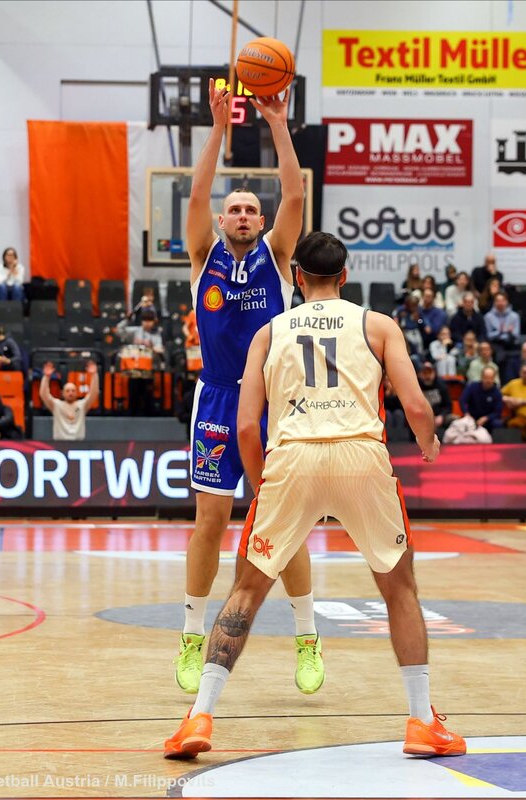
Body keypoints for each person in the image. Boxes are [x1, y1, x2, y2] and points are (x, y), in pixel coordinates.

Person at [164, 232, 465, 760]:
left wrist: (262, 483)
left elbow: (246, 427)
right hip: (360, 456)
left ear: (297, 277)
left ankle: (199, 716)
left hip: (293, 457)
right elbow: (417, 407)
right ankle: (422, 722)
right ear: (345, 276)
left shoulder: (269, 332)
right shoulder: (378, 325)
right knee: (400, 589)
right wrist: (428, 443)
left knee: (246, 590)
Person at [177, 80, 322, 696]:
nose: (240, 215)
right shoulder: (202, 256)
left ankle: (307, 637)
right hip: (216, 397)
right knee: (211, 520)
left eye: (249, 210)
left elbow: (295, 192)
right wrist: (218, 127)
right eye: (232, 209)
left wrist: (277, 123)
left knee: (283, 523)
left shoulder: (278, 257)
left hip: (274, 402)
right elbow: (197, 192)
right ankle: (192, 635)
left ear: (260, 222)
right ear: (221, 220)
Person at [116, 307, 165, 416]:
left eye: (150, 320)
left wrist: (154, 348)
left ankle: (148, 414)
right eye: (145, 320)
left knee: (147, 394)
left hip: (148, 371)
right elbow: (119, 330)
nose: (147, 323)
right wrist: (127, 319)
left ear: (154, 321)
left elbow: (160, 348)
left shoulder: (156, 334)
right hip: (133, 370)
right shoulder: (135, 331)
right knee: (133, 393)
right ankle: (132, 414)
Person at [39, 360, 99, 440]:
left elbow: (94, 393)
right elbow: (44, 394)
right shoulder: (56, 405)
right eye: (67, 391)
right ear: (62, 393)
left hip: (78, 444)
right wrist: (46, 377)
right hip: (60, 443)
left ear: (77, 393)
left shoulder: (82, 405)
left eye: (73, 391)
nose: (70, 393)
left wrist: (94, 375)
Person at [484, 291, 521, 381]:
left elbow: (516, 335)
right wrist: (501, 331)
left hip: (511, 343)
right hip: (495, 344)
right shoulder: (488, 316)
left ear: (506, 302)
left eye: (502, 300)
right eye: (497, 301)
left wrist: (504, 333)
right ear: (494, 302)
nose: (500, 303)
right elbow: (488, 335)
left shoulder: (514, 316)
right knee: (500, 356)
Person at [459, 367, 503, 433]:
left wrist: (486, 418)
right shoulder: (472, 386)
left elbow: (497, 412)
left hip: (488, 420)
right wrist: (466, 413)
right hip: (471, 418)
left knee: (497, 423)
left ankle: (493, 439)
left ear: (494, 378)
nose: (488, 380)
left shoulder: (497, 393)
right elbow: (463, 400)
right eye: (486, 378)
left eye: (491, 378)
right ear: (481, 377)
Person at [418, 361, 457, 434]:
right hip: (422, 416)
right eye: (425, 373)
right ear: (420, 374)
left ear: (434, 373)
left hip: (440, 415)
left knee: (454, 419)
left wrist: (441, 416)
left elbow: (448, 406)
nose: (427, 376)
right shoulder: (416, 386)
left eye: (429, 373)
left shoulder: (441, 385)